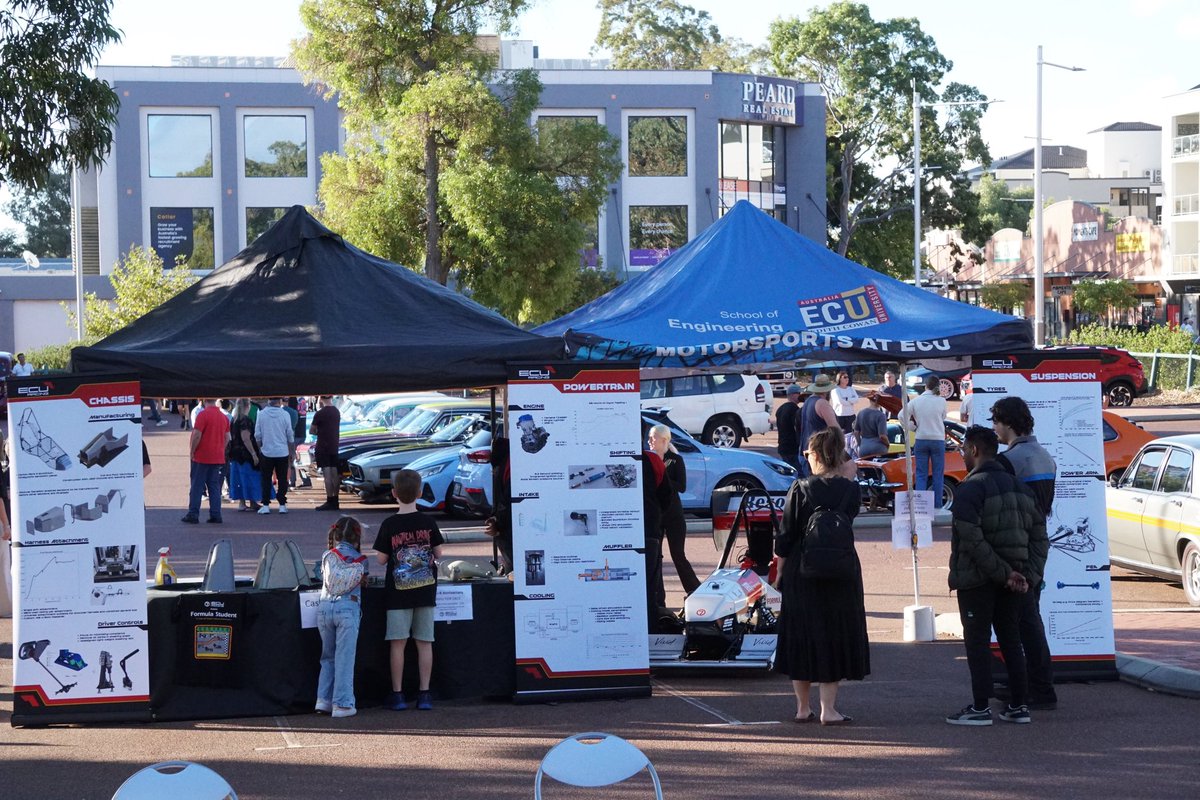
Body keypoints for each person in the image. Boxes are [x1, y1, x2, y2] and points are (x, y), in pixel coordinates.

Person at [945, 426, 1047, 726]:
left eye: (964, 449)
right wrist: (1026, 575)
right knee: (1011, 639)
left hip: (978, 580)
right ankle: (1018, 705)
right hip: (1016, 579)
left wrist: (1004, 574)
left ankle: (979, 707)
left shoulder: (970, 489)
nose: (962, 454)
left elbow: (971, 538)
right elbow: (1040, 538)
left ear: (974, 450)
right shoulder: (1022, 488)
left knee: (977, 642)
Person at [774, 427, 869, 725]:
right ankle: (829, 709)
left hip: (802, 571)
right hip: (841, 571)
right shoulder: (851, 490)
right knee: (834, 635)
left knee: (801, 635)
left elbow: (786, 535)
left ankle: (803, 707)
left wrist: (779, 570)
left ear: (814, 455)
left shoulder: (800, 488)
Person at [991, 396, 1058, 710]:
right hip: (1039, 541)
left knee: (1025, 620)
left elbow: (1004, 508)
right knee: (1030, 616)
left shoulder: (1011, 460)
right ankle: (1034, 683)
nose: (995, 429)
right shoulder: (1046, 456)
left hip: (1019, 545)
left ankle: (1039, 688)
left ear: (1007, 423)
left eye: (996, 422)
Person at [373, 469, 444, 711]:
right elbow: (439, 553)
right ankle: (425, 693)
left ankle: (398, 693)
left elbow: (381, 560)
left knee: (398, 643)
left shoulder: (389, 524)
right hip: (425, 591)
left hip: (397, 593)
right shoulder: (428, 522)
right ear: (420, 493)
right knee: (425, 642)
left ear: (394, 493)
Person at [316, 516, 369, 719]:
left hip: (324, 607)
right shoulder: (361, 559)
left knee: (327, 656)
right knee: (344, 658)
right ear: (357, 536)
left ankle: (323, 699)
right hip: (348, 608)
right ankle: (343, 704)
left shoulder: (327, 555)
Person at [648, 424, 700, 597]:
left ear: (664, 440)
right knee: (656, 557)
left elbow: (682, 486)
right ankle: (658, 596)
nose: (649, 441)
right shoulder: (647, 460)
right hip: (656, 514)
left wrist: (663, 477)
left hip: (673, 514)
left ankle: (695, 591)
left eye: (653, 437)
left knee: (678, 554)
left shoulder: (676, 460)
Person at [902, 376, 949, 508]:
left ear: (925, 386)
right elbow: (943, 417)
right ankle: (938, 505)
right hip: (938, 439)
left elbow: (901, 415)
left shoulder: (917, 401)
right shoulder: (942, 401)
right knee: (938, 474)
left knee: (921, 473)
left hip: (921, 438)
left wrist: (912, 427)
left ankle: (920, 506)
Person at [182, 399, 230, 524]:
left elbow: (197, 435)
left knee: (197, 485)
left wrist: (192, 450)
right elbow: (227, 437)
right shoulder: (223, 417)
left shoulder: (202, 415)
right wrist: (221, 448)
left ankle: (193, 513)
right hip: (217, 456)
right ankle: (216, 514)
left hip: (202, 456)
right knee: (214, 486)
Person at [255, 398, 295, 514]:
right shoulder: (285, 414)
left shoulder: (261, 414)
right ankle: (282, 504)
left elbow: (257, 434)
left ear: (269, 401)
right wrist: (292, 451)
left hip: (267, 451)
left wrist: (260, 448)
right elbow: (289, 434)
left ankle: (266, 504)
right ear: (280, 401)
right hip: (282, 451)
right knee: (282, 478)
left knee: (266, 479)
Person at [797, 375, 839, 477]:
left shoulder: (808, 402)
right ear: (827, 390)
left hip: (805, 450)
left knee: (809, 487)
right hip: (819, 455)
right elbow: (835, 429)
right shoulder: (822, 404)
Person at [483, 438, 514, 575]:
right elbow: (504, 499)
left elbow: (503, 499)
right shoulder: (508, 461)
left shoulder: (502, 462)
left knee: (512, 568)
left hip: (507, 528)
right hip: (508, 528)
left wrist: (496, 520)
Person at [228, 398, 265, 512]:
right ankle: (249, 501)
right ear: (247, 406)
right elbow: (246, 438)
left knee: (239, 478)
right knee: (249, 477)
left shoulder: (233, 420)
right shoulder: (245, 420)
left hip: (235, 453)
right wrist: (254, 453)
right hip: (245, 455)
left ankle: (244, 502)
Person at [310, 395, 342, 511]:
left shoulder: (320, 413)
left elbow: (312, 430)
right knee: (335, 473)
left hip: (323, 446)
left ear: (321, 399)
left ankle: (330, 499)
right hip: (334, 445)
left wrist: (320, 431)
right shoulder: (336, 412)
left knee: (327, 475)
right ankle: (336, 499)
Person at [775, 384, 803, 471]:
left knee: (787, 471)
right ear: (792, 394)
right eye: (799, 393)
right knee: (798, 473)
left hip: (782, 445)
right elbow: (797, 428)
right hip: (792, 447)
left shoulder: (781, 408)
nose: (800, 395)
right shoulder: (794, 409)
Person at [853, 392, 889, 459]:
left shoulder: (861, 413)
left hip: (864, 446)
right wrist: (887, 444)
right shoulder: (880, 415)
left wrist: (860, 444)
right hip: (878, 447)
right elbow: (882, 436)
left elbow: (856, 432)